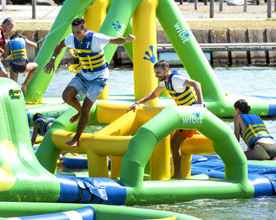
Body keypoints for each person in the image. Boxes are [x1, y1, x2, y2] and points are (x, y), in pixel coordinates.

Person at [43, 18, 135, 147]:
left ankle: (76, 138)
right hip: (83, 75)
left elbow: (114, 40)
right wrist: (53, 59)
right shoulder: (72, 39)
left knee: (87, 107)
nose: (76, 36)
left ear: (85, 30)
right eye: (74, 32)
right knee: (66, 96)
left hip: (99, 78)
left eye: (78, 33)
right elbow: (60, 44)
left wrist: (125, 40)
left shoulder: (96, 38)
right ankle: (80, 111)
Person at [127, 60, 206, 177]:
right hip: (184, 116)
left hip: (191, 115)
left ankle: (177, 174)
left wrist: (200, 104)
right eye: (155, 73)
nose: (156, 75)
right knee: (184, 137)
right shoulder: (165, 82)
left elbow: (196, 84)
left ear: (166, 70)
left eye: (158, 72)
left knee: (174, 144)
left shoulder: (175, 79)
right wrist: (137, 103)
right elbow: (153, 94)